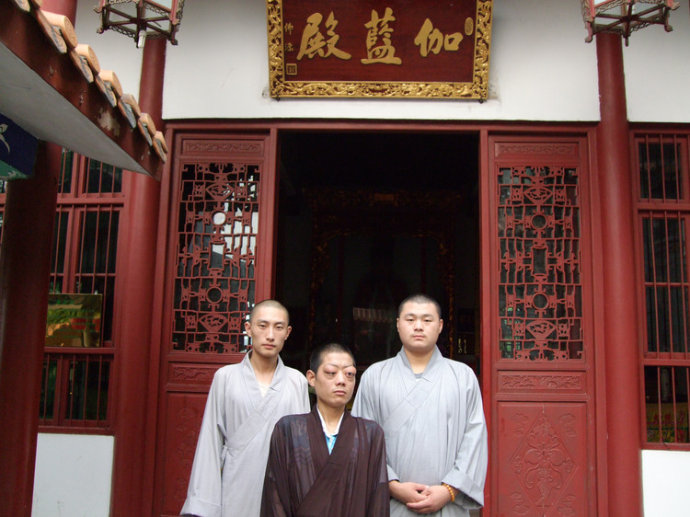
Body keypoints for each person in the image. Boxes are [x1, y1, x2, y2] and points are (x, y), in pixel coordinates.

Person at [352, 294, 488, 517]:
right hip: (389, 504)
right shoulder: (374, 376)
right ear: (398, 324)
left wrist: (449, 490)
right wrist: (392, 485)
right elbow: (361, 439)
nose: (418, 326)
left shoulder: (463, 377)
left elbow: (474, 438)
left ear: (440, 326)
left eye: (426, 320)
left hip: (448, 505)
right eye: (410, 319)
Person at [181, 300, 310, 517]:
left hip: (281, 491)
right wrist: (204, 504)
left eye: (278, 327)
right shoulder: (225, 377)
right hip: (236, 485)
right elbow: (210, 442)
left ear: (287, 333)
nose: (270, 335)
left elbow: (302, 450)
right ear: (249, 329)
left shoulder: (297, 381)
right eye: (262, 326)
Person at [261, 343, 390, 517]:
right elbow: (274, 496)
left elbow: (378, 500)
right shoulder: (288, 430)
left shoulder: (370, 433)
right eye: (331, 372)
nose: (341, 380)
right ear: (311, 378)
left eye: (349, 374)